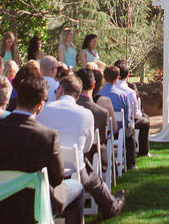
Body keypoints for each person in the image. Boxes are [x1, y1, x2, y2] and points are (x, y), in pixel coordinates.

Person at [0, 75, 84, 224]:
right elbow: (57, 178)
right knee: (77, 187)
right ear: (40, 105)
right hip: (35, 204)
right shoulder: (47, 136)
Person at [37, 74, 125, 219]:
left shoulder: (42, 110)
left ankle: (111, 205)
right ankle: (111, 207)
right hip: (73, 170)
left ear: (60, 90)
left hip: (46, 170)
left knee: (89, 171)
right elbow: (87, 147)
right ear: (77, 96)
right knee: (92, 177)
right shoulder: (85, 114)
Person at [99, 66, 136, 167]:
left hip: (103, 131)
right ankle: (131, 163)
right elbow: (127, 117)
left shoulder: (98, 94)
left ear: (104, 78)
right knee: (131, 129)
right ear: (116, 79)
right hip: (118, 130)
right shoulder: (122, 95)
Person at [114, 61, 151, 157]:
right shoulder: (129, 92)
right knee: (145, 122)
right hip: (126, 124)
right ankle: (143, 151)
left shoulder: (105, 90)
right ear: (128, 75)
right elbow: (135, 114)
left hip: (111, 124)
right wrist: (139, 114)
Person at [75, 68, 109, 168]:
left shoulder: (63, 109)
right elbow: (102, 141)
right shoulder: (101, 113)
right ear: (93, 85)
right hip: (90, 161)